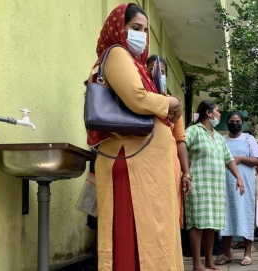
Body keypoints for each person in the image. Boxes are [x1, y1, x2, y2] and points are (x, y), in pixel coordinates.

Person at [86, 3, 183, 270]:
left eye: (143, 30)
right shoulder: (117, 53)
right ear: (119, 28)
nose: (140, 35)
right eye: (134, 28)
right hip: (130, 164)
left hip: (145, 167)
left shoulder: (136, 64)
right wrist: (171, 102)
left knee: (154, 234)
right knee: (132, 239)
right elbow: (138, 100)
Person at [186, 100, 245, 271]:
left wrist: (239, 178)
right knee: (198, 223)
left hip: (217, 187)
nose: (220, 115)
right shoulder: (193, 131)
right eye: (217, 111)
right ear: (208, 113)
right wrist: (185, 173)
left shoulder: (218, 137)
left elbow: (229, 159)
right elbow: (180, 147)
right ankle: (197, 264)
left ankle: (209, 261)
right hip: (198, 184)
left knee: (211, 224)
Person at [146, 55, 192, 229]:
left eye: (161, 71)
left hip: (168, 166)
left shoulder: (174, 106)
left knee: (167, 213)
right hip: (144, 164)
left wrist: (186, 174)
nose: (156, 73)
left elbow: (180, 141)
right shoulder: (138, 99)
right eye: (150, 70)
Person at [215, 112, 258, 267]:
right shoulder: (221, 140)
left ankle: (247, 254)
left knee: (246, 215)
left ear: (242, 123)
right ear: (227, 123)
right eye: (231, 121)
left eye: (238, 121)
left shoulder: (248, 139)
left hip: (245, 184)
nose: (235, 124)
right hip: (225, 184)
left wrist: (241, 159)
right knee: (226, 217)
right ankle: (227, 254)